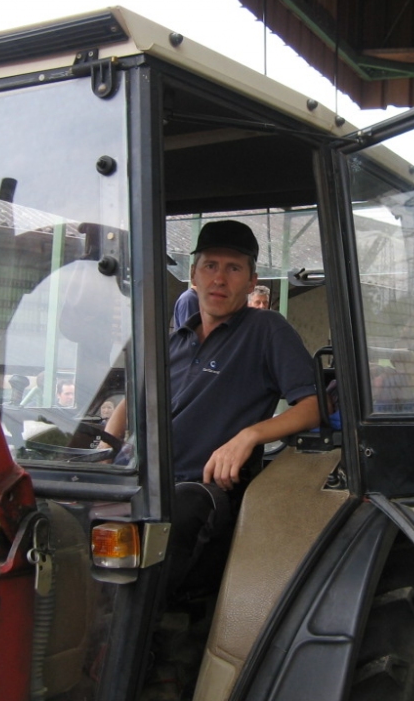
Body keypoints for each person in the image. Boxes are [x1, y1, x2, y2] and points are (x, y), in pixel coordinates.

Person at [106, 220, 319, 599]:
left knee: (179, 515)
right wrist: (105, 450)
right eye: (210, 266)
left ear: (252, 281)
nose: (219, 279)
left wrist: (249, 435)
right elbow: (131, 401)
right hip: (139, 479)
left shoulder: (266, 330)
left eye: (233, 268)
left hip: (201, 489)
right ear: (193, 276)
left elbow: (313, 406)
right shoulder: (174, 340)